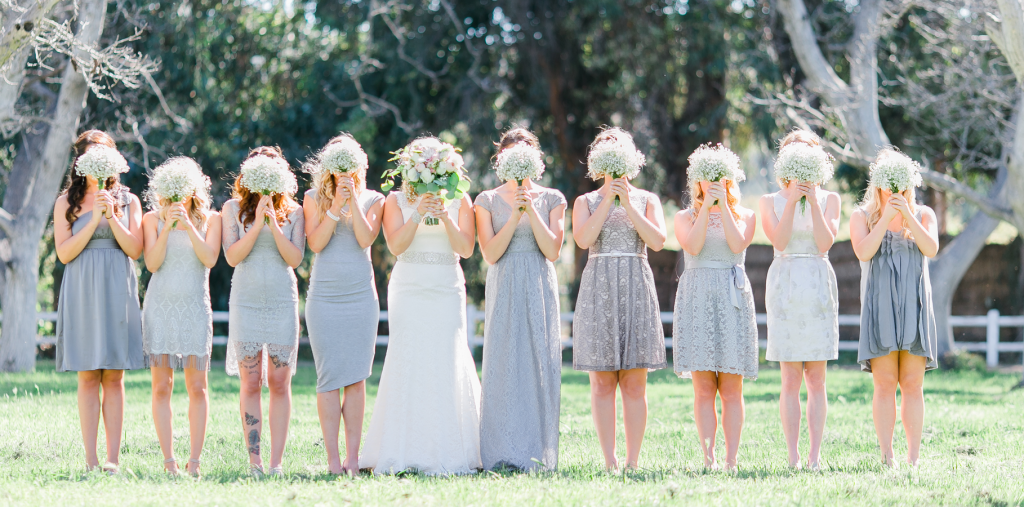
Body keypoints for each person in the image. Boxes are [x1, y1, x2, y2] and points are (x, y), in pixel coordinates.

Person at [360, 137, 482, 475]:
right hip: (409, 285)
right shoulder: (395, 200)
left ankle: (454, 449)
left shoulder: (461, 198)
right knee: (408, 356)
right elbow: (397, 246)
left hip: (446, 285)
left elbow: (467, 249)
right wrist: (418, 215)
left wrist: (445, 216)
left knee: (447, 356)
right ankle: (401, 448)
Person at [572, 127, 667, 471]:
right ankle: (609, 460)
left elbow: (657, 241)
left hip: (635, 285)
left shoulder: (647, 200)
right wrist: (607, 201)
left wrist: (626, 202)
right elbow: (583, 240)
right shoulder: (585, 201)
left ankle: (632, 461)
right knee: (601, 380)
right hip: (599, 286)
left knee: (634, 381)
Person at [54, 130, 144, 473]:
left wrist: (112, 216)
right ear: (80, 162)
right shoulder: (66, 202)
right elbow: (64, 254)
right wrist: (92, 219)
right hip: (82, 287)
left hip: (116, 285)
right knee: (88, 375)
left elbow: (135, 249)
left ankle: (112, 459)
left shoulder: (129, 201)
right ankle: (90, 460)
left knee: (114, 377)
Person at [475, 128, 565, 471]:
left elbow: (553, 250)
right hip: (505, 280)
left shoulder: (553, 197)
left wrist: (532, 209)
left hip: (539, 282)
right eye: (511, 152)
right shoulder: (486, 199)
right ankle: (500, 451)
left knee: (538, 362)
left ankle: (537, 451)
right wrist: (514, 213)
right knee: (503, 361)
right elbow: (491, 253)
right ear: (501, 159)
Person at [851, 147, 939, 468]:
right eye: (887, 183)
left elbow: (930, 248)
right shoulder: (862, 216)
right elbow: (863, 252)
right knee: (885, 384)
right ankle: (888, 456)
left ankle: (913, 458)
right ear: (877, 183)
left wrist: (908, 217)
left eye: (899, 183)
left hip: (914, 308)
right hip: (880, 309)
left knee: (913, 385)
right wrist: (886, 217)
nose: (894, 189)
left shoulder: (925, 213)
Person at [302, 135, 385, 475]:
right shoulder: (312, 199)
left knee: (355, 378)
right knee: (328, 379)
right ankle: (333, 461)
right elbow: (317, 244)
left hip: (360, 298)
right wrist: (335, 206)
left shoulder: (375, 199)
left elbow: (366, 239)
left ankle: (353, 458)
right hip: (324, 298)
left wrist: (353, 204)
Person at [759, 131, 841, 470]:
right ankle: (793, 456)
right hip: (786, 283)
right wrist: (793, 199)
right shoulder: (769, 201)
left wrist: (814, 198)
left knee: (817, 379)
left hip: (818, 282)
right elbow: (778, 239)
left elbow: (824, 244)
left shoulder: (831, 199)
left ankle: (814, 456)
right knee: (790, 378)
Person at [222, 146, 305, 477]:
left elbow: (295, 259)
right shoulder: (232, 209)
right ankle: (255, 461)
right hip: (246, 301)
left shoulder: (296, 212)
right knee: (252, 382)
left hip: (282, 300)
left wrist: (275, 222)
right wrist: (257, 224)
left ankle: (276, 462)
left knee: (281, 382)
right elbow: (232, 257)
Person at [141, 157, 221, 476]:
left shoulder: (210, 220)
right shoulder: (151, 220)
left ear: (193, 191)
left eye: (183, 192)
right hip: (160, 308)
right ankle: (169, 461)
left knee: (197, 386)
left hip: (195, 309)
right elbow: (152, 263)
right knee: (161, 386)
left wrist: (188, 226)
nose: (177, 199)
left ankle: (196, 461)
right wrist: (167, 228)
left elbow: (210, 259)